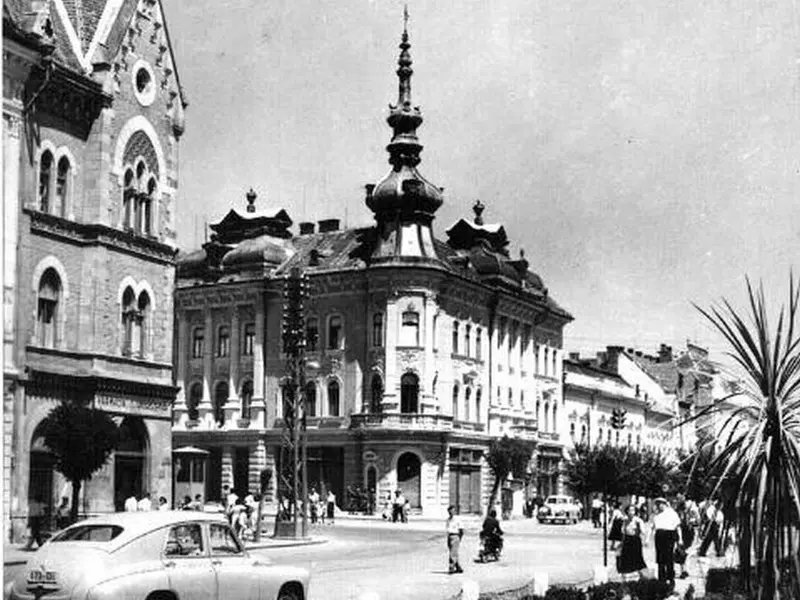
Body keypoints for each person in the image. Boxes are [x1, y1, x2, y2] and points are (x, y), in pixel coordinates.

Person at [652, 497, 682, 587]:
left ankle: (670, 578)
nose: (658, 506)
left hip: (669, 535)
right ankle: (661, 578)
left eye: (660, 504)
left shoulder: (672, 513)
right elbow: (653, 527)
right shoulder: (657, 515)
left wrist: (680, 539)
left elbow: (677, 527)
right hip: (659, 535)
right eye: (657, 504)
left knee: (669, 557)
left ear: (664, 504)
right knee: (660, 558)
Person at [617, 504, 648, 580]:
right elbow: (622, 531)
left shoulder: (638, 520)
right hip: (627, 539)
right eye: (629, 510)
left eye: (633, 510)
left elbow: (643, 532)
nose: (631, 512)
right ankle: (624, 577)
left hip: (635, 540)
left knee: (637, 558)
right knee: (625, 558)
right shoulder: (625, 520)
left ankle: (642, 576)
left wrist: (639, 530)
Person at [446, 505, 465, 574]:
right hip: (449, 536)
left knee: (453, 552)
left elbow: (461, 529)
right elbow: (447, 528)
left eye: (452, 511)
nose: (451, 512)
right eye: (449, 511)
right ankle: (458, 567)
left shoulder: (457, 519)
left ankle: (451, 566)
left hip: (455, 536)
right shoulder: (448, 520)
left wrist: (459, 538)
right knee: (453, 552)